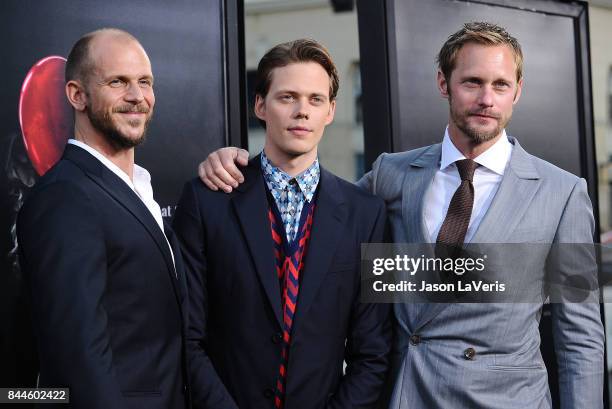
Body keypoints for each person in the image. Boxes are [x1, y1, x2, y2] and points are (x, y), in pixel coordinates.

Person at [197, 22, 604, 408]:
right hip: (404, 394)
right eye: (472, 82)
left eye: (501, 85)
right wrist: (238, 163)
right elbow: (312, 204)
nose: (487, 99)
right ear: (443, 83)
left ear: (517, 92)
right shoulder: (391, 175)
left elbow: (580, 335)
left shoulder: (564, 192)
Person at [173, 39, 391, 409]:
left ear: (331, 111)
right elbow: (186, 337)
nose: (302, 111)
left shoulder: (366, 214)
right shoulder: (207, 200)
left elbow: (373, 352)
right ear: (260, 105)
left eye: (315, 99)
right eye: (287, 97)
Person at [17, 29, 190, 409]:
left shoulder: (138, 188)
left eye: (145, 82)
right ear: (77, 95)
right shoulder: (64, 198)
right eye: (118, 82)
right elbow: (77, 357)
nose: (137, 97)